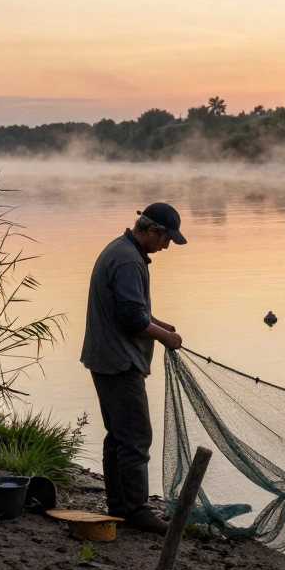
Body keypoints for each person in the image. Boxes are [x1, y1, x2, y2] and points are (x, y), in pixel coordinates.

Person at [80, 202, 186, 533]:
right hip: (119, 362)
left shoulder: (122, 249)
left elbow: (134, 309)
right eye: (167, 239)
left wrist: (160, 324)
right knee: (137, 437)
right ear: (152, 231)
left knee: (119, 436)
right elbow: (130, 320)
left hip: (105, 358)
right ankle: (137, 512)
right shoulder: (128, 260)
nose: (167, 246)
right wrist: (166, 339)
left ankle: (120, 507)